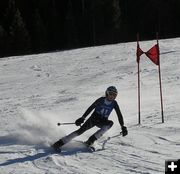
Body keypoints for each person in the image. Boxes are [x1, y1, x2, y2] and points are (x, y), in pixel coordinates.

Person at [52, 86, 128, 151]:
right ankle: (59, 143)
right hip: (94, 118)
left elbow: (119, 115)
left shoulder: (114, 103)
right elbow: (91, 108)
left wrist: (123, 126)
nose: (112, 96)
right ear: (107, 93)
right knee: (80, 131)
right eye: (111, 94)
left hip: (102, 120)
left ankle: (90, 141)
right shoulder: (101, 100)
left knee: (110, 123)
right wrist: (83, 117)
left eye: (114, 95)